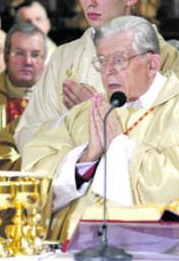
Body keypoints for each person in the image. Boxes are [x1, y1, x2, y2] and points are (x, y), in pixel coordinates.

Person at [22, 15, 179, 242]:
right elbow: (34, 173)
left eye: (119, 60)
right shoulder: (88, 111)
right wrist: (85, 159)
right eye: (102, 62)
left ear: (153, 64)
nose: (108, 72)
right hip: (71, 248)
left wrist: (119, 147)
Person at [14, 0, 179, 152]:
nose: (90, 3)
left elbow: (165, 142)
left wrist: (92, 112)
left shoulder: (165, 58)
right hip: (72, 180)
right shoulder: (64, 57)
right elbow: (28, 136)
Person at [0, 22, 45, 137]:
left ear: (44, 59)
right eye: (20, 53)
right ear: (6, 56)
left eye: (35, 55)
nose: (28, 61)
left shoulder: (58, 101)